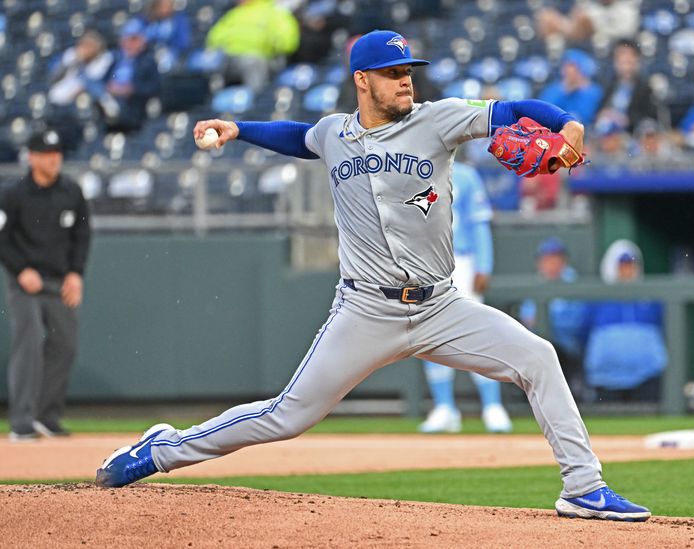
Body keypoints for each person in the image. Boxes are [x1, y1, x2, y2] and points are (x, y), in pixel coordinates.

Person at [95, 30, 651, 522]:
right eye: (392, 74)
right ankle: (163, 449)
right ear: (362, 80)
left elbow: (511, 110)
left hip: (440, 308)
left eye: (408, 72)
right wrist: (238, 128)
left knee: (538, 357)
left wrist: (567, 123)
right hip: (366, 311)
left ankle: (584, 487)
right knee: (287, 417)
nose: (404, 82)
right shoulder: (335, 133)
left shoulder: (439, 118)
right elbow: (299, 136)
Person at [0, 130, 91, 442]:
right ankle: (22, 422)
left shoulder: (71, 191)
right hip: (24, 281)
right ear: (32, 157)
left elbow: (82, 236)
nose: (54, 158)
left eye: (57, 152)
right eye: (47, 152)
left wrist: (76, 273)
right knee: (29, 342)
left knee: (66, 345)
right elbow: (2, 237)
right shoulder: (13, 193)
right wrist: (20, 268)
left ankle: (45, 416)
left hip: (59, 279)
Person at [418, 161, 512, 434]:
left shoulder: (466, 175)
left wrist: (484, 264)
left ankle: (492, 405)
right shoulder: (412, 172)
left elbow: (479, 223)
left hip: (462, 259)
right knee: (428, 335)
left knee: (477, 331)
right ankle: (444, 406)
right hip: (427, 263)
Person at [582, 240, 666, 403]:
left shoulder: (651, 299)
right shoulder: (596, 299)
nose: (627, 270)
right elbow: (583, 334)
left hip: (645, 377)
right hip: (605, 380)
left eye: (631, 265)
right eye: (622, 265)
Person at [518, 237, 587, 401]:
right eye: (547, 259)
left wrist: (549, 319)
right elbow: (526, 319)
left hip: (567, 351)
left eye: (556, 259)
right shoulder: (536, 285)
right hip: (538, 351)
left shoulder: (573, 283)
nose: (552, 264)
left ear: (563, 261)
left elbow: (577, 322)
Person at [205, 0, 300, 93]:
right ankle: (213, 102)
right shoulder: (234, 13)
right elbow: (213, 38)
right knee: (211, 62)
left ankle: (255, 100)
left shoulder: (274, 12)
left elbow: (288, 42)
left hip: (262, 59)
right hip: (230, 57)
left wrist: (271, 44)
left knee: (252, 61)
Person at [100, 19, 161, 133]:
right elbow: (104, 80)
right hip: (111, 99)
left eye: (134, 39)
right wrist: (110, 88)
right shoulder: (116, 59)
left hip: (133, 106)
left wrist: (131, 90)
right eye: (126, 39)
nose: (129, 44)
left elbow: (155, 86)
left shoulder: (148, 61)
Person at [596, 40, 658, 133]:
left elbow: (649, 117)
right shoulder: (608, 85)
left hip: (632, 133)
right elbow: (599, 110)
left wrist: (627, 120)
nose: (626, 67)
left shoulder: (645, 88)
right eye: (622, 62)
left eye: (629, 62)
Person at [538, 49, 603, 126]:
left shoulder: (593, 91)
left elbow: (585, 117)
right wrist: (565, 92)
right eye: (567, 66)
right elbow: (543, 112)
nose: (569, 72)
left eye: (574, 68)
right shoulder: (554, 89)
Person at [536, 0, 640, 45]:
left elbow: (627, 32)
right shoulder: (593, 7)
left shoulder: (626, 9)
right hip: (581, 38)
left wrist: (595, 28)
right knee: (547, 16)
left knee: (582, 19)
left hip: (612, 44)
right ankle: (541, 53)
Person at [136, 0, 191, 71]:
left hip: (172, 54)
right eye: (162, 5)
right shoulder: (147, 21)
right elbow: (143, 39)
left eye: (167, 4)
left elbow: (183, 43)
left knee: (165, 61)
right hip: (150, 54)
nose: (164, 8)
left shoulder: (179, 20)